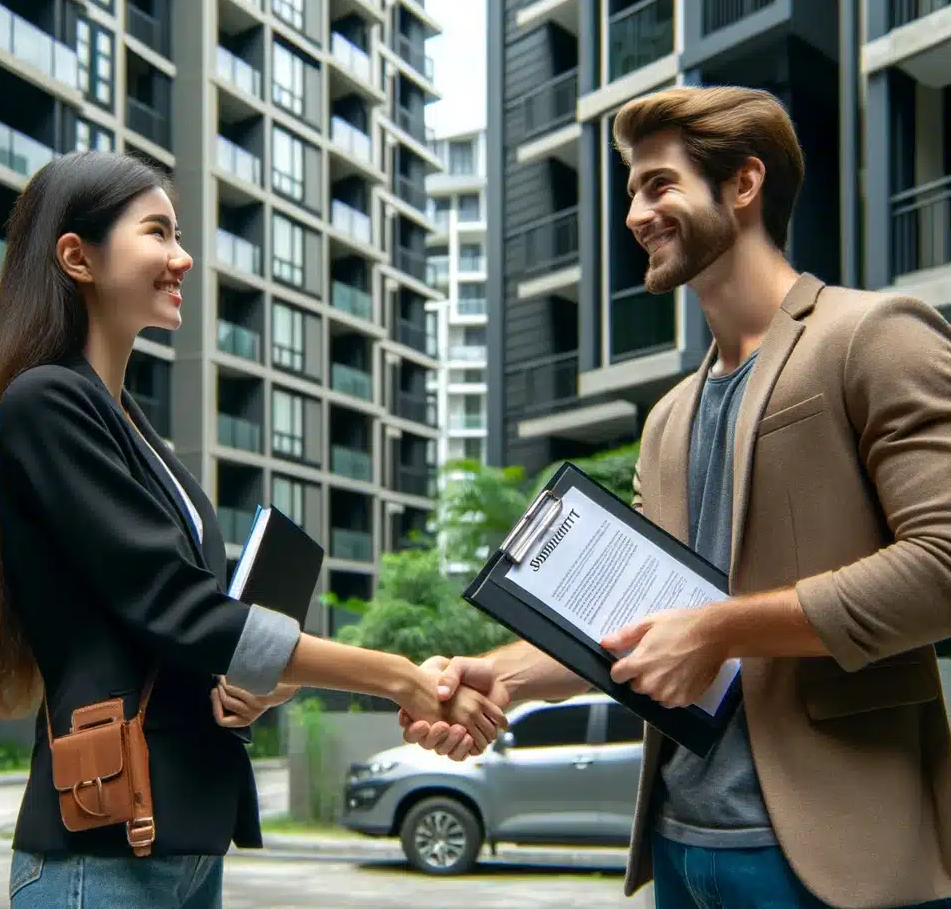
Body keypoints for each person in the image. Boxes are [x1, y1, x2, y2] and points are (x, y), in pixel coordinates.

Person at [400, 85, 951, 909]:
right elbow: (638, 629)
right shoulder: (667, 418)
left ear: (743, 185)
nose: (635, 214)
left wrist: (720, 625)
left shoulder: (873, 336)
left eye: (658, 184)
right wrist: (506, 677)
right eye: (632, 192)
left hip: (839, 856)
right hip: (680, 845)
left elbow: (942, 568)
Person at [0, 151, 506, 909]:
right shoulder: (46, 405)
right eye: (158, 233)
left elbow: (172, 629)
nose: (184, 257)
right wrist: (399, 676)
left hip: (179, 840)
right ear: (77, 256)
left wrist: (254, 685)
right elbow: (180, 608)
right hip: (105, 847)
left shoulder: (132, 429)